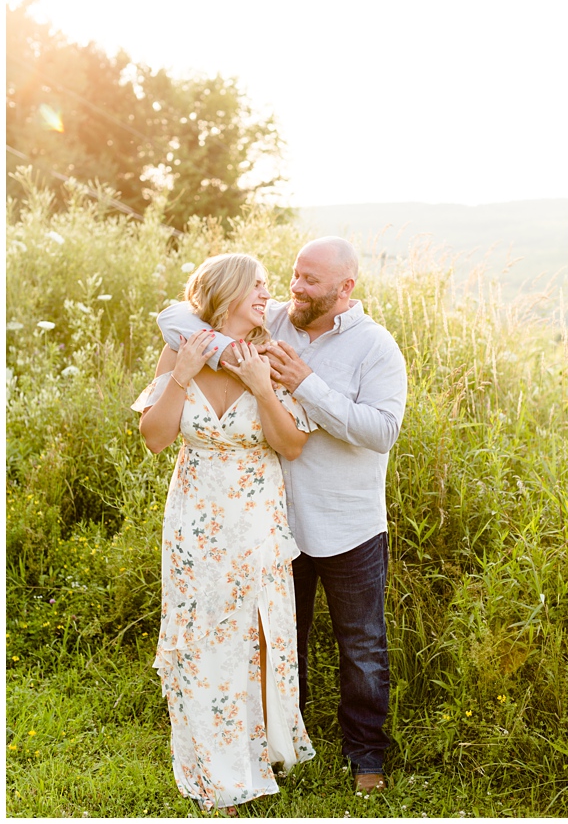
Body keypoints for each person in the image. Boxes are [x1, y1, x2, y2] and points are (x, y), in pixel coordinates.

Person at [159, 236, 408, 794]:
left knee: (362, 647)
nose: (294, 288)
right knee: (274, 642)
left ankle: (367, 757)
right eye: (293, 275)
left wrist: (302, 383)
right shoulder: (271, 317)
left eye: (309, 281)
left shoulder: (375, 348)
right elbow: (179, 313)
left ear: (345, 289)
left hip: (345, 524)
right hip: (269, 526)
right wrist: (224, 356)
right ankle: (272, 747)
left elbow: (381, 431)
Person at [134, 253, 319, 814]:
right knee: (199, 634)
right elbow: (155, 437)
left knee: (257, 635)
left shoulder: (271, 353)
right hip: (193, 518)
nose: (268, 294)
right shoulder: (181, 349)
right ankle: (210, 761)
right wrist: (181, 377)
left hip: (256, 519)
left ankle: (257, 751)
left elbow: (291, 445)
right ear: (226, 292)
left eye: (267, 285)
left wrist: (262, 387)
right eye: (257, 285)